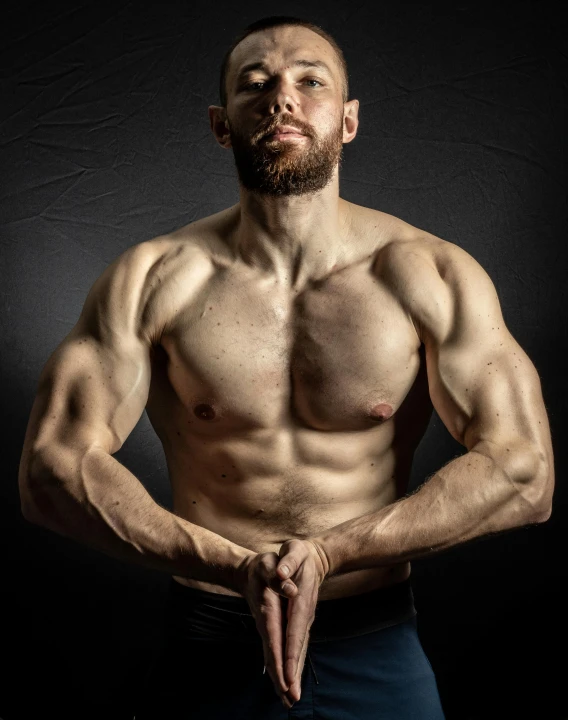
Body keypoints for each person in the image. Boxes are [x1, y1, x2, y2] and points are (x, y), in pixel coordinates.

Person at [18, 14, 554, 720]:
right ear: (220, 124)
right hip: (207, 640)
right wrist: (235, 567)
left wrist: (330, 554)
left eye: (311, 81)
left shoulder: (430, 275)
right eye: (256, 84)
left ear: (349, 119)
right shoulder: (153, 278)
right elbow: (51, 471)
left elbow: (525, 473)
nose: (283, 98)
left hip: (372, 640)